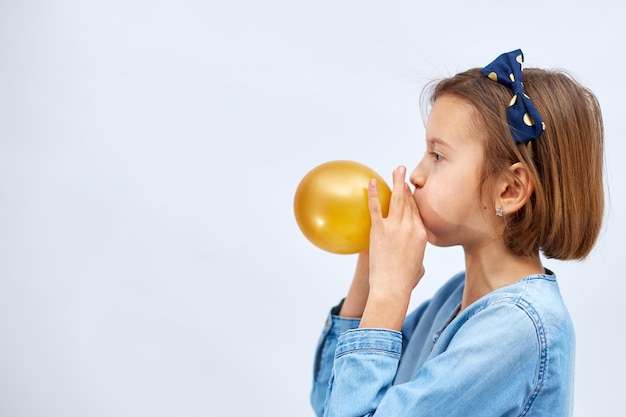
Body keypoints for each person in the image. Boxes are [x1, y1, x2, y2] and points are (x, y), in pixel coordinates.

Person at [310, 49, 604, 417]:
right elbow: (330, 402)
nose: (415, 175)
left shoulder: (517, 328)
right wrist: (369, 272)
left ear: (509, 190)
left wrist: (389, 293)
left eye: (437, 155)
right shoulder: (454, 299)